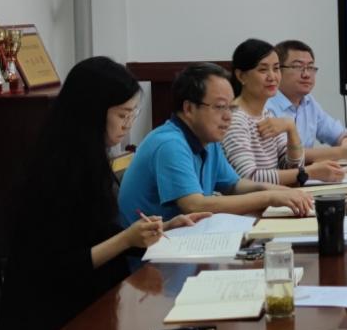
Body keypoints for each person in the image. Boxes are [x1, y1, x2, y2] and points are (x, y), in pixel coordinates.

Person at [0, 56, 171, 330]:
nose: (128, 124)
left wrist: (157, 229)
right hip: (46, 329)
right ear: (92, 112)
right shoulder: (57, 173)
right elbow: (61, 267)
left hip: (80, 304)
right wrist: (126, 239)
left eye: (132, 114)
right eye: (122, 115)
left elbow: (98, 234)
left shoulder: (88, 158)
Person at [116, 62, 313, 226]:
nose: (228, 117)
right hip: (148, 255)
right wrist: (269, 198)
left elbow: (234, 185)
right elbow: (194, 205)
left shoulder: (208, 140)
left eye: (230, 108)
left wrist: (282, 192)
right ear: (189, 108)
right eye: (219, 107)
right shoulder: (170, 143)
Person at [223, 39, 347, 187]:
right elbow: (249, 178)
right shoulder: (234, 119)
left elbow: (291, 167)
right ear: (241, 76)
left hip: (277, 196)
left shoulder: (266, 114)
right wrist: (310, 172)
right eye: (263, 70)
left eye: (276, 69)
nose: (272, 77)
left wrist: (291, 128)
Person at [264, 39, 347, 160]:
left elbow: (337, 134)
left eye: (310, 67)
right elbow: (286, 154)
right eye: (298, 67)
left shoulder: (308, 101)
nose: (306, 74)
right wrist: (342, 152)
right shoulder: (266, 106)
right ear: (278, 70)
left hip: (306, 171)